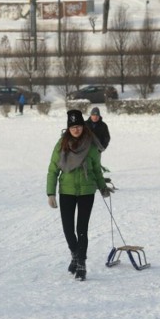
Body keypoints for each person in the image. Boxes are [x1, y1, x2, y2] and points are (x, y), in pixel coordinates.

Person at [46, 109, 111, 282]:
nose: (76, 130)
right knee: (68, 228)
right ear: (68, 128)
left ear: (83, 126)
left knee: (81, 229)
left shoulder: (91, 144)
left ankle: (81, 263)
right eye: (73, 127)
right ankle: (75, 254)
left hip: (86, 191)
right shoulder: (62, 144)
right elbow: (53, 169)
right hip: (66, 191)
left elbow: (97, 168)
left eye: (79, 126)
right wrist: (50, 192)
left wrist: (103, 187)